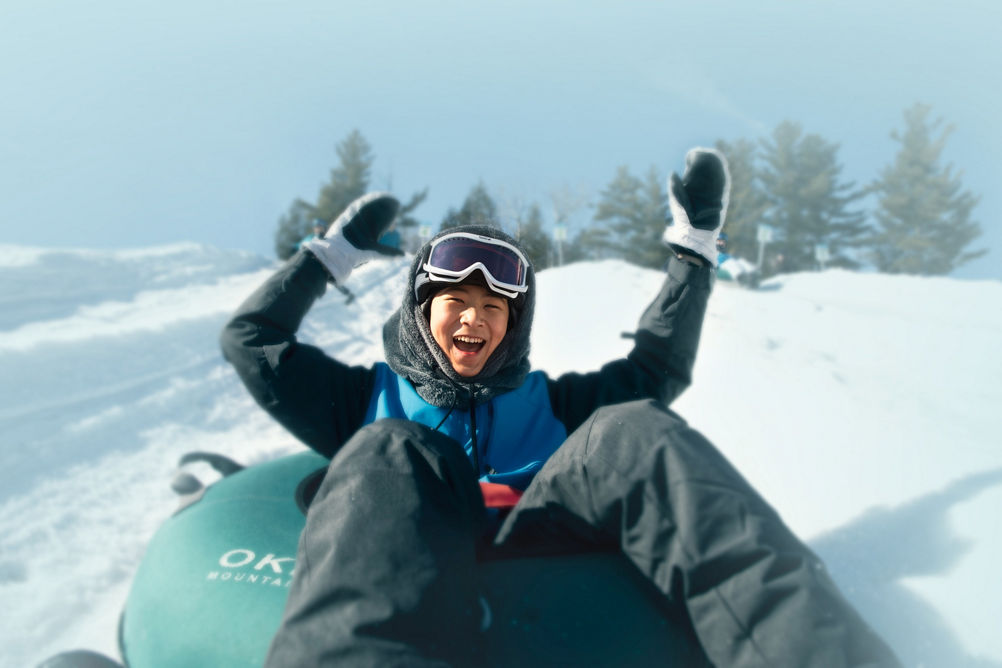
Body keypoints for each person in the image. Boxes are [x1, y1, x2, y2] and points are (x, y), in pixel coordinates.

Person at [220, 149, 899, 667]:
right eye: (455, 303)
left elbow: (655, 370)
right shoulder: (360, 399)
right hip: (403, 539)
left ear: (512, 328)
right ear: (422, 316)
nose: (473, 320)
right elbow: (252, 341)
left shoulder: (550, 404)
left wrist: (693, 253)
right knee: (390, 448)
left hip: (539, 542)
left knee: (632, 426)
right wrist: (329, 257)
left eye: (493, 309)